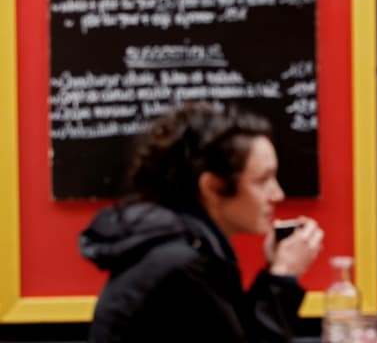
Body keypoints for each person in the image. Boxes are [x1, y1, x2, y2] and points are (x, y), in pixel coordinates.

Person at [79, 102, 324, 343]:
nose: (277, 194)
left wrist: (274, 275)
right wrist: (283, 276)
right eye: (262, 180)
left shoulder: (184, 248)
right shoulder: (180, 266)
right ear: (212, 186)